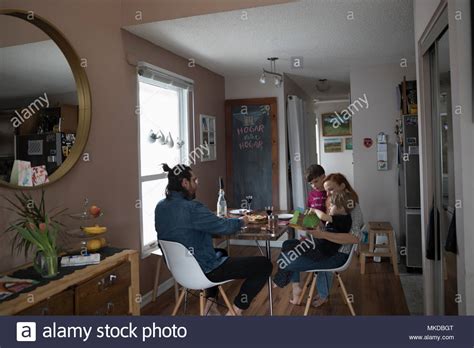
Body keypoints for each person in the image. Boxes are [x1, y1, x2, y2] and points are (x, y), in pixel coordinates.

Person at [155, 163, 272, 316]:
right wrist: (243, 220)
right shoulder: (192, 208)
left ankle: (210, 305)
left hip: (179, 271)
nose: (197, 184)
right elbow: (225, 227)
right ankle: (236, 311)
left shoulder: (160, 206)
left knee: (220, 252)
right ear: (184, 183)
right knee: (264, 265)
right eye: (194, 180)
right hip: (205, 270)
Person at [273, 173, 363, 307]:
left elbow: (354, 238)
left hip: (337, 253)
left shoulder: (350, 206)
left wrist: (322, 235)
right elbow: (329, 226)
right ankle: (296, 287)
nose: (327, 194)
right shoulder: (336, 202)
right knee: (288, 244)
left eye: (331, 189)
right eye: (326, 190)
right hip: (325, 245)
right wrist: (312, 224)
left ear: (343, 186)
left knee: (285, 261)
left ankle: (289, 282)